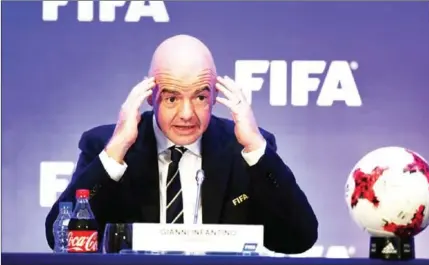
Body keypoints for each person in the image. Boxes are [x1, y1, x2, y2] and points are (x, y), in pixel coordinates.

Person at [45, 34, 318, 254]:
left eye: (200, 97)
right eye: (172, 98)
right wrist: (116, 151)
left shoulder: (243, 150)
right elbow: (60, 238)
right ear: (150, 96)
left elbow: (298, 238)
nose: (187, 114)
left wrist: (256, 150)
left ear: (215, 97)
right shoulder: (105, 146)